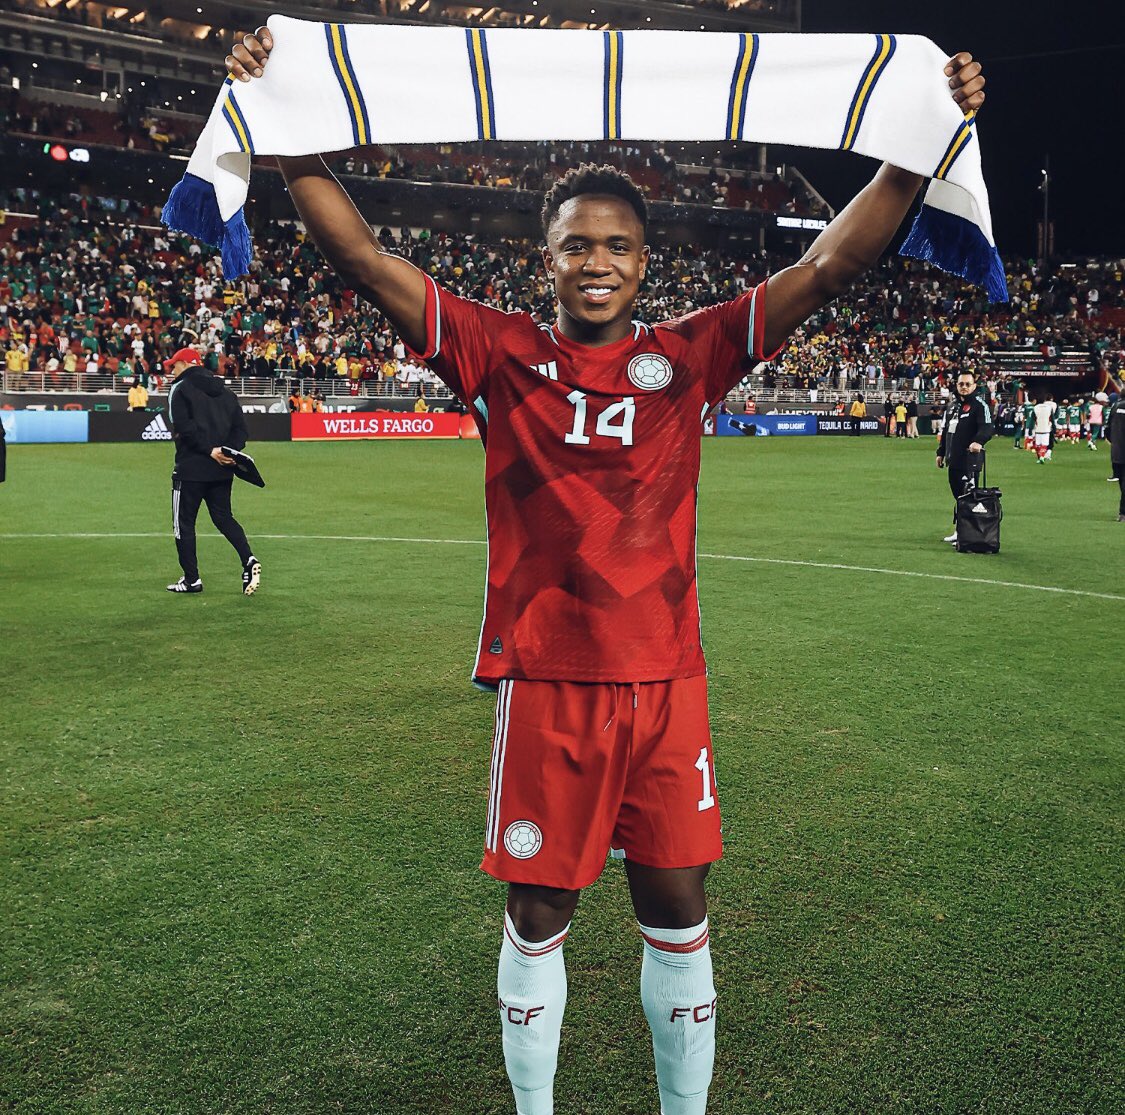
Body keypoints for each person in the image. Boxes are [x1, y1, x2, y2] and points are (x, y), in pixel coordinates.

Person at [228, 28, 987, 1115]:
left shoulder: (690, 355)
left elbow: (829, 265)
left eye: (618, 246)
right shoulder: (495, 352)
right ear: (546, 259)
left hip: (668, 683)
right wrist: (288, 127)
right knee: (539, 914)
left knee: (679, 913)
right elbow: (362, 259)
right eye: (577, 244)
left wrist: (916, 144)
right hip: (549, 682)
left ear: (644, 263)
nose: (597, 261)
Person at [165, 347, 262, 595]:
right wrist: (227, 451)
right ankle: (248, 558)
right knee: (223, 517)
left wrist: (209, 450)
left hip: (190, 469)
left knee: (184, 524)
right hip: (222, 469)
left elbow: (184, 428)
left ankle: (192, 580)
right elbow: (241, 431)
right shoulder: (227, 393)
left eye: (174, 365)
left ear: (186, 364)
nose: (171, 370)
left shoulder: (180, 389)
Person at [936, 369, 993, 544]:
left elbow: (987, 427)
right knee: (959, 497)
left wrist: (978, 441)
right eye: (961, 384)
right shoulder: (952, 406)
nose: (964, 387)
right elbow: (947, 431)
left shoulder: (979, 405)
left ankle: (968, 534)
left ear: (974, 386)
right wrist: (940, 452)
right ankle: (960, 530)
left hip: (970, 462)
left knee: (969, 497)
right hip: (953, 460)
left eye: (968, 384)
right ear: (956, 385)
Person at [1107, 393, 1125, 521]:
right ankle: (1123, 512)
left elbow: (1107, 429)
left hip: (1117, 452)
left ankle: (1123, 513)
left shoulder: (1115, 406)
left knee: (1122, 481)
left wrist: (1115, 442)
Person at [1032, 394, 1057, 463]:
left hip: (1038, 428)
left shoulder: (1035, 407)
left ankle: (1039, 458)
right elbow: (1052, 418)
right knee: (1044, 444)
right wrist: (1054, 427)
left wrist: (1031, 428)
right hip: (1046, 428)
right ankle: (1042, 457)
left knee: (1038, 445)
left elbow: (1033, 418)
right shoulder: (1049, 407)